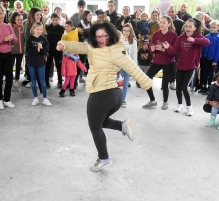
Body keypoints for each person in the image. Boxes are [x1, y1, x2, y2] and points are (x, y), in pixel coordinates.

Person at [56, 22, 153, 171]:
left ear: (111, 35)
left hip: (104, 94)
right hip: (111, 94)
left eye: (104, 36)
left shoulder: (115, 50)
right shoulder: (93, 47)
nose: (101, 39)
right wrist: (63, 44)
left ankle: (104, 158)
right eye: (98, 36)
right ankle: (122, 126)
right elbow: (81, 47)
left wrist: (147, 85)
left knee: (95, 126)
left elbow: (132, 67)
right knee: (98, 122)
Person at [164, 18, 210, 116]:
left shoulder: (198, 36)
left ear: (194, 28)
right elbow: (174, 51)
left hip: (191, 66)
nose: (187, 28)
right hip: (180, 66)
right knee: (178, 88)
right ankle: (179, 104)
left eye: (190, 26)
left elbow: (207, 42)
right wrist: (168, 48)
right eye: (186, 26)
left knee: (184, 87)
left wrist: (194, 40)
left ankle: (189, 107)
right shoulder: (180, 38)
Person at [142, 16, 177, 110]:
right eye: (161, 22)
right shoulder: (156, 34)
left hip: (169, 62)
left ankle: (165, 102)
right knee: (146, 79)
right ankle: (152, 100)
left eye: (164, 22)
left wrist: (164, 49)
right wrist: (152, 49)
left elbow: (174, 52)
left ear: (169, 24)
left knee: (165, 84)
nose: (161, 24)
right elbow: (151, 49)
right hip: (157, 60)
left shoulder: (173, 35)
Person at [26, 21, 50, 106]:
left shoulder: (44, 39)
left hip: (41, 63)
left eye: (41, 29)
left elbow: (46, 52)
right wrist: (37, 50)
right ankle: (35, 98)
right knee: (33, 82)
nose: (39, 31)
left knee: (42, 82)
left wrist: (42, 48)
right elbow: (28, 51)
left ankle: (45, 98)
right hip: (31, 63)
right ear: (33, 29)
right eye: (37, 29)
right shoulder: (30, 39)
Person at [199, 20, 219, 95]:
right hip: (205, 58)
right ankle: (203, 87)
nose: (212, 29)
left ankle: (209, 88)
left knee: (211, 74)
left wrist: (215, 60)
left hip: (212, 59)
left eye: (214, 27)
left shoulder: (218, 38)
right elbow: (204, 47)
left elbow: (218, 50)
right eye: (211, 27)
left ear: (218, 28)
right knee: (204, 73)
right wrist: (202, 55)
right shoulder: (207, 36)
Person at [45, 13, 65, 89]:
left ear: (59, 20)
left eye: (56, 20)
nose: (55, 21)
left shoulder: (61, 29)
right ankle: (46, 82)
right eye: (53, 19)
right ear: (51, 20)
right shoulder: (47, 28)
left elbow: (63, 40)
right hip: (49, 50)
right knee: (47, 66)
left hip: (58, 51)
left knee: (59, 66)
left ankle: (60, 82)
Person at [121, 23, 137, 108]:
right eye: (124, 30)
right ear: (122, 31)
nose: (126, 32)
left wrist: (134, 66)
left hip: (128, 64)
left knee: (126, 82)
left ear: (131, 31)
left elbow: (135, 54)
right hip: (119, 64)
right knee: (116, 81)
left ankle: (123, 99)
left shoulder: (133, 41)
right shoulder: (119, 40)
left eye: (128, 31)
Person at [9, 11, 24, 94]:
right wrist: (10, 45)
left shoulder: (23, 27)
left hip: (21, 51)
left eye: (21, 20)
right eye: (18, 20)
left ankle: (16, 80)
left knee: (19, 66)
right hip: (12, 51)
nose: (20, 21)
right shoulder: (11, 27)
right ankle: (10, 79)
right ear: (14, 20)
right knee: (10, 65)